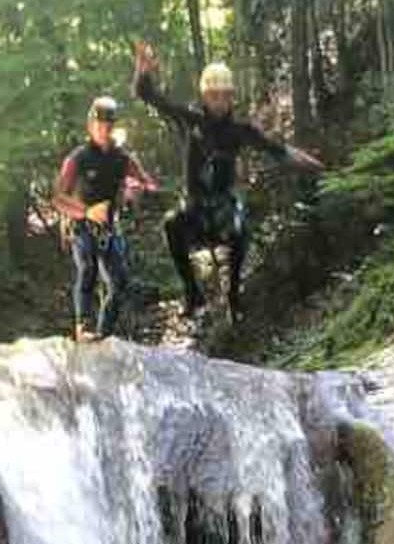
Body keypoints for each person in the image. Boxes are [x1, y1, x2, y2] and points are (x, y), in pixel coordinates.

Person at [132, 41, 323, 323]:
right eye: (214, 96)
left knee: (240, 230)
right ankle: (192, 293)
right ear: (205, 96)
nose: (219, 102)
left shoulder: (239, 130)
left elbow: (277, 150)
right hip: (195, 210)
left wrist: (314, 165)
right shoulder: (191, 120)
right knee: (171, 225)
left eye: (224, 96)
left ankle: (233, 297)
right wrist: (143, 70)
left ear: (231, 97)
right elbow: (148, 95)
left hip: (223, 210)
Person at [53, 95, 159, 342]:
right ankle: (83, 325)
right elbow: (58, 197)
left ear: (114, 127)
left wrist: (141, 188)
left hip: (108, 227)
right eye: (99, 125)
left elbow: (146, 181)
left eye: (108, 125)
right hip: (81, 224)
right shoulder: (78, 158)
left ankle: (104, 333)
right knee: (88, 268)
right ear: (90, 126)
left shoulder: (122, 158)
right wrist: (85, 211)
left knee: (119, 282)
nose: (104, 130)